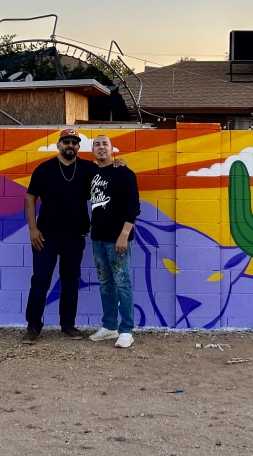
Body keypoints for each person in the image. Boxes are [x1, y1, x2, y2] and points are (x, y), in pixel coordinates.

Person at [22, 129, 124, 343]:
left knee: (70, 282)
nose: (70, 145)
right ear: (59, 145)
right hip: (45, 237)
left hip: (75, 237)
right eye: (66, 142)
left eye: (74, 142)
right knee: (40, 281)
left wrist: (118, 163)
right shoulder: (44, 169)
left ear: (78, 146)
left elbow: (107, 174)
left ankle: (67, 324)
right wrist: (32, 228)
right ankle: (33, 327)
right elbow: (30, 196)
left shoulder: (88, 168)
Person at [86, 134, 140, 349]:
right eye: (97, 145)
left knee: (122, 283)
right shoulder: (91, 173)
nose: (101, 148)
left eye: (105, 144)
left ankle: (127, 329)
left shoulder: (124, 174)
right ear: (93, 150)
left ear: (112, 148)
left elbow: (133, 207)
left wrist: (124, 234)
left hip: (119, 239)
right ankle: (109, 326)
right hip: (98, 238)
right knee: (105, 283)